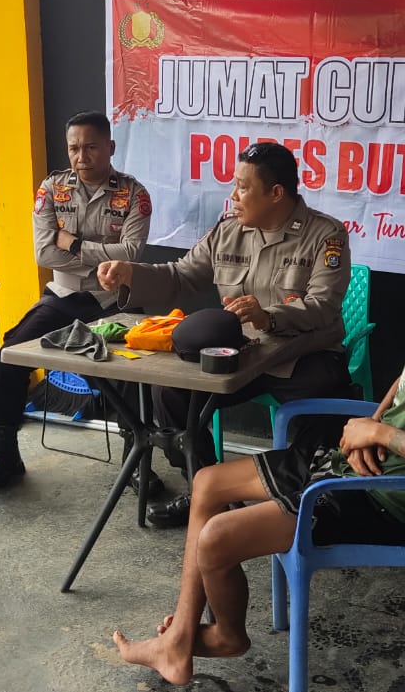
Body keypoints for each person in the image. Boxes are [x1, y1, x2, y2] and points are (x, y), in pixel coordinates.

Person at [111, 162, 405, 685]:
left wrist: (377, 433)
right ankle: (179, 643)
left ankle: (223, 637)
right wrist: (370, 424)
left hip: (388, 500)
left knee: (215, 539)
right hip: (353, 466)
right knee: (206, 483)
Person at [97, 141, 353, 528]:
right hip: (242, 352)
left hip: (301, 351)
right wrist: (131, 272)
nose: (233, 196)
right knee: (170, 392)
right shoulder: (229, 231)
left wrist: (269, 316)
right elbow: (181, 275)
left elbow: (323, 307)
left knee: (324, 394)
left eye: (243, 187)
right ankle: (204, 489)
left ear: (276, 193)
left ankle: (300, 500)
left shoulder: (325, 235)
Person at [0, 111, 153, 490]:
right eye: (74, 148)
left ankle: (136, 461)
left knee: (137, 369)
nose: (81, 156)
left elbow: (133, 252)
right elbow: (44, 254)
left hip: (112, 300)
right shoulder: (51, 189)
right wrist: (103, 253)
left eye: (91, 147)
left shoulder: (134, 193)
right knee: (9, 354)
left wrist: (71, 242)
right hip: (63, 295)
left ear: (110, 147)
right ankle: (5, 454)